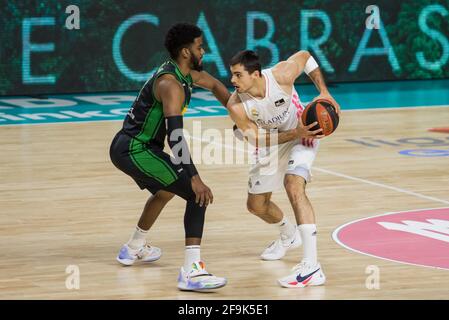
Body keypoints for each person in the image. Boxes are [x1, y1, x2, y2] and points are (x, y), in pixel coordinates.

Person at [109, 23, 230, 292]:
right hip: (134, 149)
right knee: (196, 195)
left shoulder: (185, 74)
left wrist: (241, 116)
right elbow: (176, 137)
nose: (204, 50)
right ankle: (191, 272)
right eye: (200, 46)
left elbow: (216, 86)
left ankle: (132, 248)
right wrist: (195, 178)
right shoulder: (170, 84)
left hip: (138, 146)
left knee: (165, 191)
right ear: (186, 52)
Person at [226, 50, 340, 288]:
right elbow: (257, 140)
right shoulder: (236, 105)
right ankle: (289, 235)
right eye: (232, 75)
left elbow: (306, 57)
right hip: (272, 142)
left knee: (293, 185)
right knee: (256, 205)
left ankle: (312, 267)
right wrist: (292, 133)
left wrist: (324, 92)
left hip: (304, 134)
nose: (233, 81)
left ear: (255, 74)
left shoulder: (281, 75)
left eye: (238, 75)